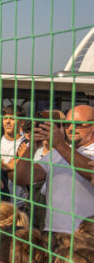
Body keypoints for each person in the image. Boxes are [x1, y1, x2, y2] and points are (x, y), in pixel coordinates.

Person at [14, 105, 94, 247]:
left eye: (78, 125)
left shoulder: (61, 149)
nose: (71, 129)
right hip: (53, 234)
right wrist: (32, 146)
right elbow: (21, 178)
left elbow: (90, 172)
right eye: (67, 124)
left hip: (85, 237)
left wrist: (59, 144)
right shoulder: (57, 153)